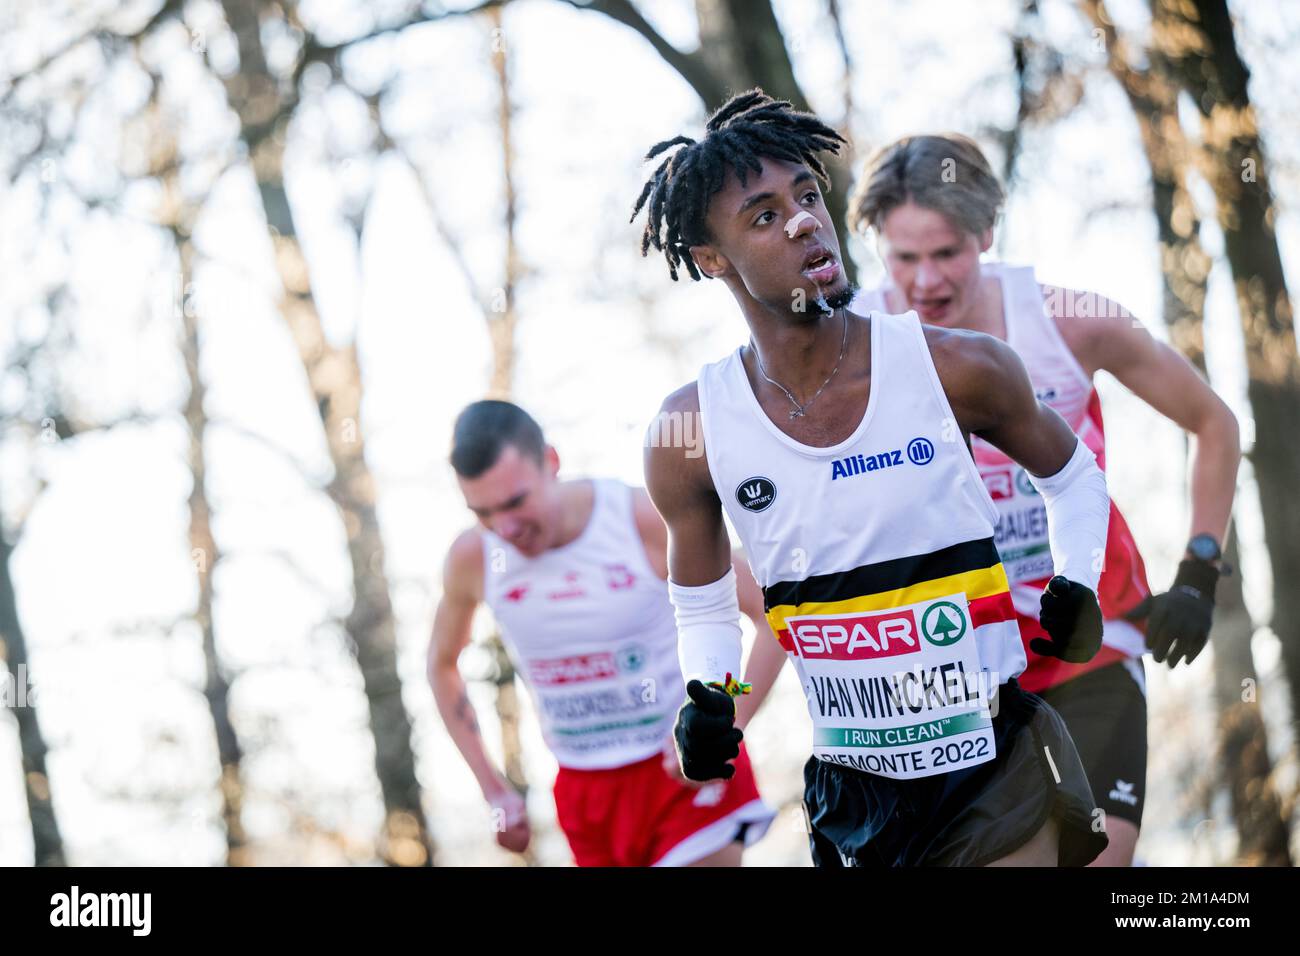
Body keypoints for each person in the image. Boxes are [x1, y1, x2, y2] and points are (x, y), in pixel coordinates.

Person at [633, 89, 1113, 867]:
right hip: (852, 792)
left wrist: (1078, 581)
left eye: (808, 195)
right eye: (763, 216)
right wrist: (708, 696)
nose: (802, 222)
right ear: (712, 256)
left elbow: (1072, 476)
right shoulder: (689, 434)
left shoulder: (955, 367)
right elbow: (703, 601)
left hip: (989, 766)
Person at [847, 133, 1241, 865]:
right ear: (872, 243)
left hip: (1089, 642)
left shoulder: (1069, 321)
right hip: (954, 670)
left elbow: (1214, 421)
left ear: (987, 232)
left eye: (948, 252)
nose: (926, 280)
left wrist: (1199, 569)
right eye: (904, 257)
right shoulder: (851, 346)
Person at [429, 399, 775, 866]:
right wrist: (494, 790)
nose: (504, 528)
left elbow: (772, 613)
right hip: (583, 792)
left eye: (515, 502)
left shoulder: (639, 519)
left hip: (679, 773)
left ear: (551, 462)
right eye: (483, 512)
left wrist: (727, 721)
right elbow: (442, 666)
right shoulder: (472, 558)